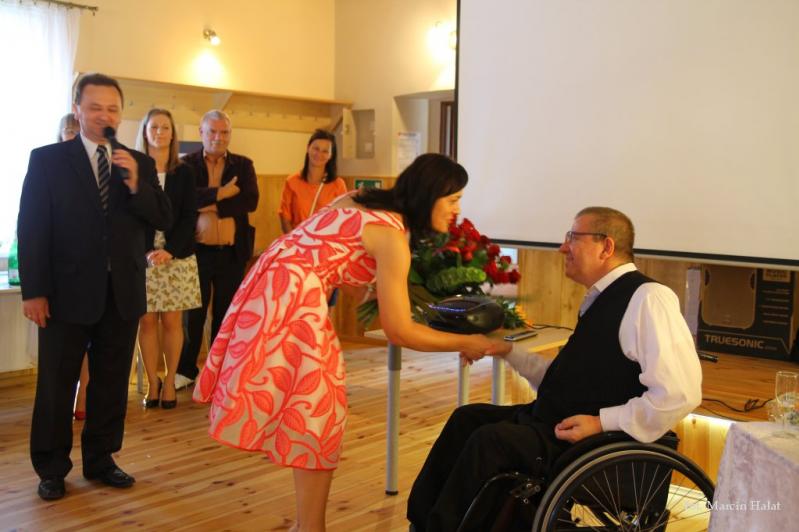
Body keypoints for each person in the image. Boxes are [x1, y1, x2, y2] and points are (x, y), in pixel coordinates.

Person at [192, 153, 512, 531]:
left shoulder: (361, 199)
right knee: (319, 411)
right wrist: (465, 342)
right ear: (430, 194)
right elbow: (399, 330)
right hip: (292, 295)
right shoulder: (391, 237)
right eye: (453, 200)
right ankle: (311, 527)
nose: (457, 210)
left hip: (271, 281)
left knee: (313, 410)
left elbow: (330, 250)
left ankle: (307, 525)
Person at [406, 206, 703, 531]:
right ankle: (421, 522)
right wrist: (506, 350)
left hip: (590, 442)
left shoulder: (649, 298)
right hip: (556, 424)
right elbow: (564, 382)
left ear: (606, 246)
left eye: (573, 237)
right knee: (466, 418)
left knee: (490, 441)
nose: (563, 247)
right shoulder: (599, 299)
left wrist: (601, 422)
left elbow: (680, 394)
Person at [17, 73, 172, 501]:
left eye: (112, 109)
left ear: (121, 113)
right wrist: (34, 291)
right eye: (95, 107)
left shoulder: (137, 163)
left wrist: (137, 184)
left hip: (122, 293)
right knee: (56, 383)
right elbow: (32, 227)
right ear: (78, 109)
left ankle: (101, 460)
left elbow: (163, 217)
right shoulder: (48, 160)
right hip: (64, 294)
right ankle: (51, 467)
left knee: (111, 382)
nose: (104, 115)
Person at [174, 109, 259, 390]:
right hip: (196, 252)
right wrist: (221, 193)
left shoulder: (243, 165)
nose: (218, 137)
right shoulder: (185, 165)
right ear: (201, 133)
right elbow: (185, 200)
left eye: (224, 132)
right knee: (193, 316)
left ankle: (219, 371)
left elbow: (249, 201)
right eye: (212, 131)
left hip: (232, 253)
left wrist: (210, 205)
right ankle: (186, 370)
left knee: (225, 316)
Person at [135, 109, 201, 409]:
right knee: (146, 322)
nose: (159, 132)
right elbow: (128, 216)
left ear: (173, 134)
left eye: (165, 127)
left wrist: (170, 250)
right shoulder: (134, 169)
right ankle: (153, 382)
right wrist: (145, 250)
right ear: (145, 131)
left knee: (173, 322)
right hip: (143, 256)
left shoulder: (184, 172)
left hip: (176, 255)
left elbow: (189, 216)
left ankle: (171, 381)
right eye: (154, 127)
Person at [56, 113, 90, 421]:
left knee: (87, 344)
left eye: (76, 130)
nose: (72, 134)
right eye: (68, 130)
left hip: (89, 273)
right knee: (63, 350)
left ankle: (83, 395)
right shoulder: (48, 165)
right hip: (61, 276)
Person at [278, 129, 347, 234]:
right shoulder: (292, 181)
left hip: (327, 241)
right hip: (297, 240)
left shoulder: (338, 184)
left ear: (330, 155)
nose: (319, 154)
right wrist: (295, 241)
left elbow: (343, 219)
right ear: (308, 148)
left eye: (325, 151)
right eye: (316, 148)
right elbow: (285, 217)